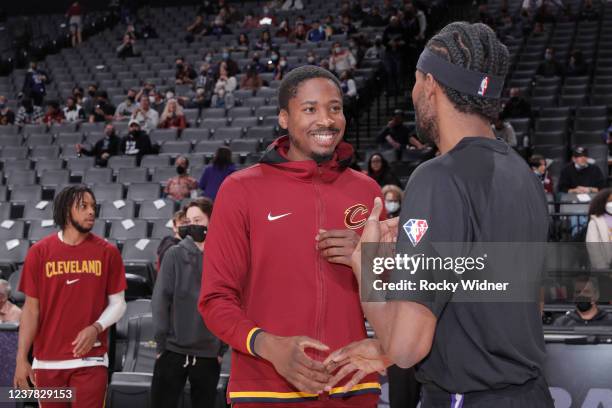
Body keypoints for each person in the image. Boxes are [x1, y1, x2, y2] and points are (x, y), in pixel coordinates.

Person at [325, 22, 555, 407]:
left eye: (415, 82)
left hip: (468, 397)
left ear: (430, 84)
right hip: (529, 393)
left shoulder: (436, 177)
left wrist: (364, 264)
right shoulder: (524, 175)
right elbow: (532, 302)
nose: (413, 93)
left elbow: (405, 349)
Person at [199, 66, 384, 406]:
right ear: (284, 118)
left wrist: (367, 259)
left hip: (353, 388)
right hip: (264, 388)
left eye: (335, 107)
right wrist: (269, 346)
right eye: (310, 109)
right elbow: (215, 300)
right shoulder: (241, 190)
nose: (326, 120)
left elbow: (390, 293)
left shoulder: (367, 191)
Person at [13, 185, 127, 407]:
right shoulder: (40, 252)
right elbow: (30, 310)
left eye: (93, 206)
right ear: (66, 211)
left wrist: (96, 327)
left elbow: (119, 304)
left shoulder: (107, 252)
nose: (91, 211)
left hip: (90, 362)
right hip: (48, 363)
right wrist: (21, 358)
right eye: (83, 206)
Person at [151, 198, 226, 408]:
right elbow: (160, 300)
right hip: (173, 351)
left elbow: (230, 303)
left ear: (212, 221)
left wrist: (221, 349)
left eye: (198, 219)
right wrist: (161, 345)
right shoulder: (174, 254)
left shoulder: (223, 257)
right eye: (190, 220)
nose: (193, 224)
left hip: (209, 354)